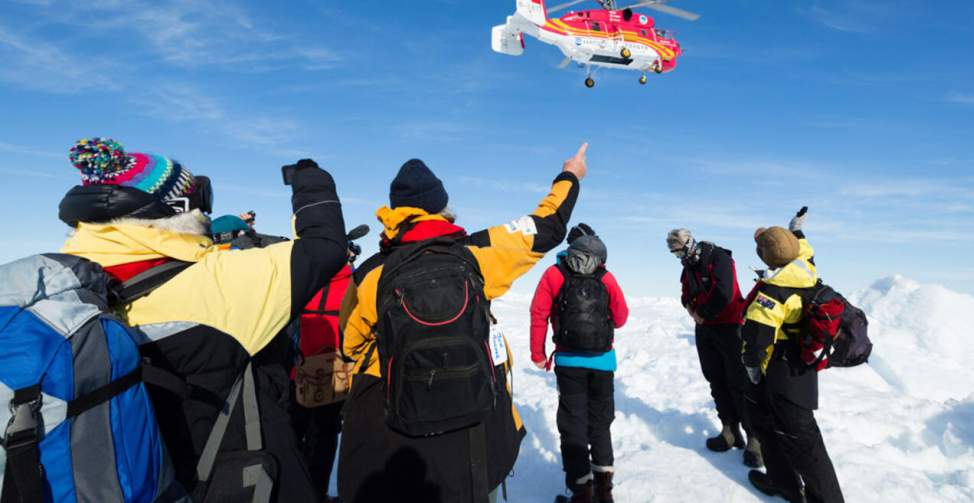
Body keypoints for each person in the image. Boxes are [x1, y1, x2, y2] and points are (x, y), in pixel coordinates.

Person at [58, 138, 348, 502]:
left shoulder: (59, 288)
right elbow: (325, 246)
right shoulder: (223, 281)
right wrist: (311, 179)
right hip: (231, 480)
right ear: (178, 208)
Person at [338, 144, 588, 503]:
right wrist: (570, 175)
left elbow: (350, 343)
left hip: (393, 432)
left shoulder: (372, 273)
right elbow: (547, 225)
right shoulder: (478, 254)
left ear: (395, 213)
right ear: (443, 208)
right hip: (473, 432)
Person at [741, 210, 845, 503]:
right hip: (801, 367)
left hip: (780, 371)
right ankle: (782, 482)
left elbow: (756, 341)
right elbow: (804, 250)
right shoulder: (805, 269)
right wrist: (795, 231)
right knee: (766, 423)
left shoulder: (772, 293)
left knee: (803, 440)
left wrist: (752, 369)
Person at [529, 224, 629, 503]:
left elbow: (538, 313)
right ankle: (604, 491)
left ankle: (582, 492)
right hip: (603, 362)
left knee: (573, 424)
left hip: (568, 362)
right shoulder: (605, 275)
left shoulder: (554, 273)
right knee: (600, 423)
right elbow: (621, 318)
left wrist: (538, 353)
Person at [666, 228, 762, 468]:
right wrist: (691, 309)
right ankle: (730, 430)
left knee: (739, 382)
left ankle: (754, 438)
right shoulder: (688, 266)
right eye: (674, 254)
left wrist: (702, 314)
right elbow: (685, 294)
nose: (678, 257)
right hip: (706, 329)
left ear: (688, 244)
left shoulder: (719, 258)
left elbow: (725, 293)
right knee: (715, 379)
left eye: (679, 251)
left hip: (730, 327)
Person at [290, 225, 369, 502]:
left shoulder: (301, 278)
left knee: (292, 434)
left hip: (295, 370)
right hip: (334, 372)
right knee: (323, 438)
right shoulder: (354, 283)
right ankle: (316, 492)